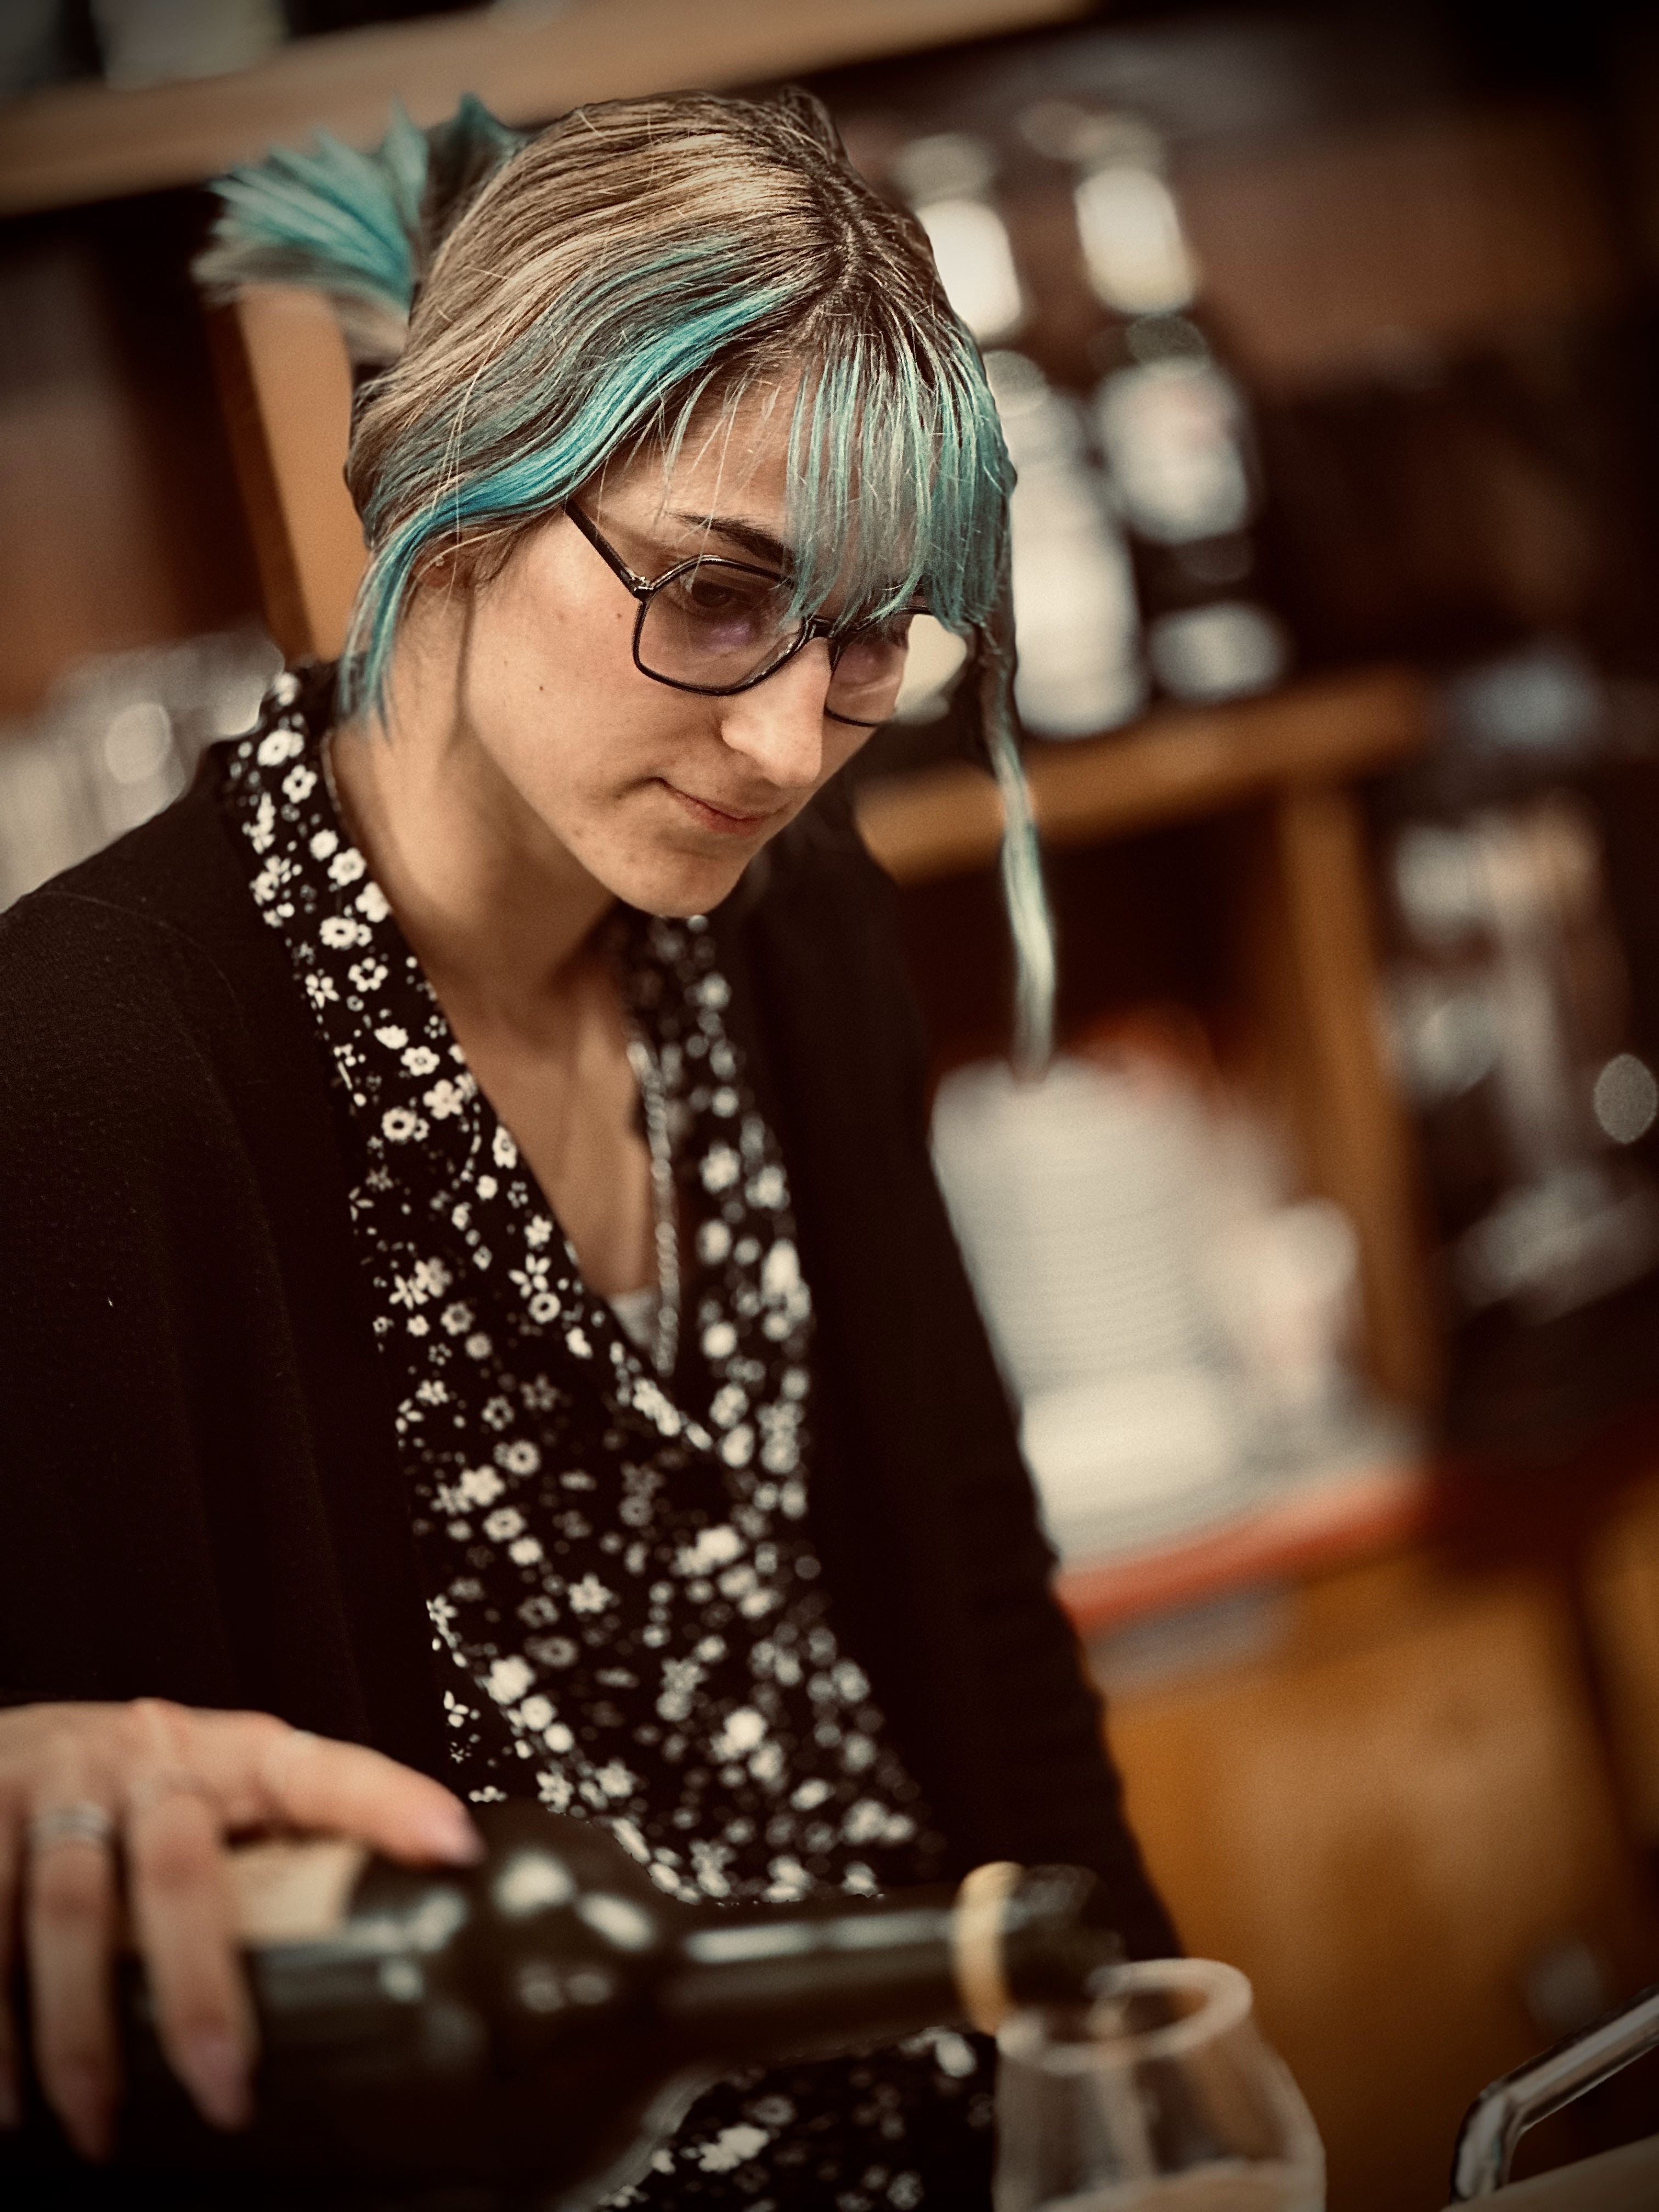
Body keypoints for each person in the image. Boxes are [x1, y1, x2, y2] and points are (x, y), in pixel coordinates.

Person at [0, 88, 1175, 2204]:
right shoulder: (90, 1072)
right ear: (458, 496)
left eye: (867, 635)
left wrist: (1147, 2093)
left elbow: (978, 1602)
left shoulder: (788, 926)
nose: (786, 743)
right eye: (714, 595)